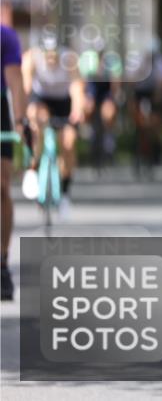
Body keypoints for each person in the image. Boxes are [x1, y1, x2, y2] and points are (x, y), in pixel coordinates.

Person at [22, 32, 86, 218]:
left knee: (69, 142)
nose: (51, 59)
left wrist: (77, 111)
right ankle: (33, 167)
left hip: (63, 101)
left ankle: (65, 193)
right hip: (41, 99)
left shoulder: (69, 59)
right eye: (47, 55)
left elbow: (77, 88)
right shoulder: (31, 58)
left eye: (54, 55)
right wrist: (25, 113)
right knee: (35, 119)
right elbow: (26, 88)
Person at [1, 23, 28, 300]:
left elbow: (16, 81)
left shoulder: (5, 36)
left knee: (1, 185)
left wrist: (20, 121)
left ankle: (2, 263)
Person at [81, 39, 123, 163]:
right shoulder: (86, 59)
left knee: (109, 113)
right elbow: (82, 81)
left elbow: (116, 81)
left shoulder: (112, 60)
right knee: (88, 106)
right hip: (92, 86)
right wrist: (84, 99)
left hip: (106, 89)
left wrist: (116, 96)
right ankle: (88, 130)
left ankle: (109, 140)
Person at [130, 38, 162, 164]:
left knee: (155, 121)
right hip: (140, 91)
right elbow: (131, 79)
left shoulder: (160, 62)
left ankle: (156, 147)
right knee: (136, 116)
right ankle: (136, 143)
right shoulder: (139, 61)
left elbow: (161, 83)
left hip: (153, 91)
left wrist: (158, 96)